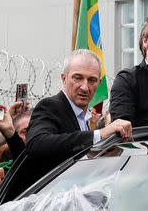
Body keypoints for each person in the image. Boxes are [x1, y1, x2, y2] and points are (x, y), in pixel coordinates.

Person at [25, 49, 133, 183]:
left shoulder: (83, 118)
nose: (85, 87)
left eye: (92, 80)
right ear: (64, 79)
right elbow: (37, 144)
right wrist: (100, 134)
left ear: (99, 83)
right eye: (78, 78)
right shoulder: (50, 106)